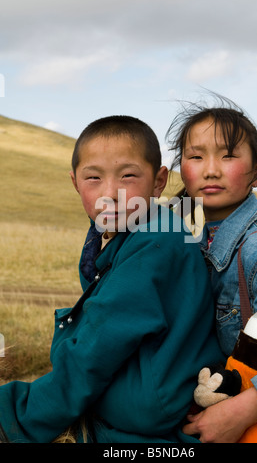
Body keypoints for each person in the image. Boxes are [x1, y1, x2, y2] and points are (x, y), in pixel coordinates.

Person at [0, 115, 224, 443]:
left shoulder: (155, 243)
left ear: (158, 181)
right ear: (75, 182)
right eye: (93, 178)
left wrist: (16, 414)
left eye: (128, 176)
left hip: (149, 415)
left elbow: (97, 348)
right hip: (147, 398)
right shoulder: (123, 234)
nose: (110, 193)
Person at [166, 98, 257, 443]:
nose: (211, 169)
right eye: (196, 157)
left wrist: (245, 410)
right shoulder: (184, 231)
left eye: (228, 155)